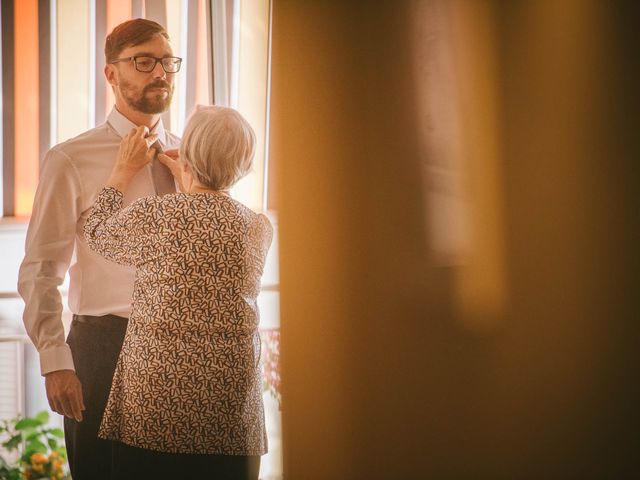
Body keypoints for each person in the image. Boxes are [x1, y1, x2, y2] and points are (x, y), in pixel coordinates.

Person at [17, 19, 181, 480]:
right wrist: (55, 362)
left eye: (168, 62)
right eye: (143, 62)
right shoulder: (70, 159)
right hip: (103, 349)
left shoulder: (191, 156)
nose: (161, 73)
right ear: (111, 74)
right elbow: (41, 269)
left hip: (181, 347)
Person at [82, 105, 272, 479]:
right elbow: (207, 225)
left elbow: (97, 235)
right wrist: (191, 177)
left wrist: (122, 171)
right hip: (230, 412)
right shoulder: (258, 228)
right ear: (246, 163)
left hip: (158, 405)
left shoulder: (157, 215)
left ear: (188, 152)